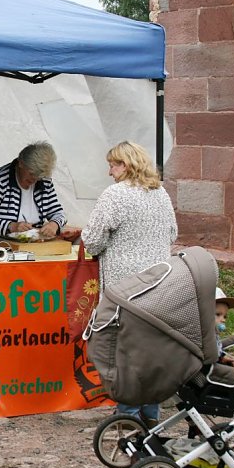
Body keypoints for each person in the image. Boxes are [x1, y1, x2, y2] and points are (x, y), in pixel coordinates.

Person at [81, 140, 177, 427]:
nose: (110, 171)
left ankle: (128, 411)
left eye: (113, 164)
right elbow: (172, 232)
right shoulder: (160, 193)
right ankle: (151, 410)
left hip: (127, 285)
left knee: (124, 350)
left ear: (126, 164)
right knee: (151, 349)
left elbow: (93, 238)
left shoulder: (115, 195)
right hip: (160, 280)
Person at [0, 141, 66, 245]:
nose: (34, 179)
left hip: (36, 247)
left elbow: (59, 214)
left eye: (38, 176)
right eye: (31, 173)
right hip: (2, 248)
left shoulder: (44, 181)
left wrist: (54, 224)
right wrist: (11, 226)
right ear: (21, 163)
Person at [215, 287, 234, 366]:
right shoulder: (202, 336)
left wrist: (222, 357)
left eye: (225, 316)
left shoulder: (214, 335)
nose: (223, 320)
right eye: (218, 314)